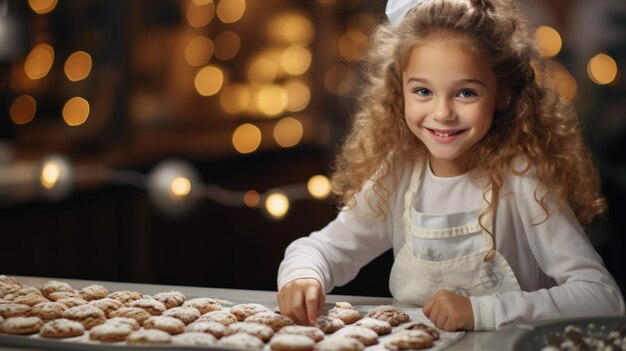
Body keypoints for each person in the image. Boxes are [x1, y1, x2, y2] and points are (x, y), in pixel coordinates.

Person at [276, 0, 625, 332]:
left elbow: (602, 297)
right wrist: (303, 274)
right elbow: (324, 248)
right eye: (423, 92)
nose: (442, 113)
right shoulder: (399, 173)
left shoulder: (522, 180)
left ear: (501, 92)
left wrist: (481, 311)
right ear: (399, 90)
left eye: (466, 93)